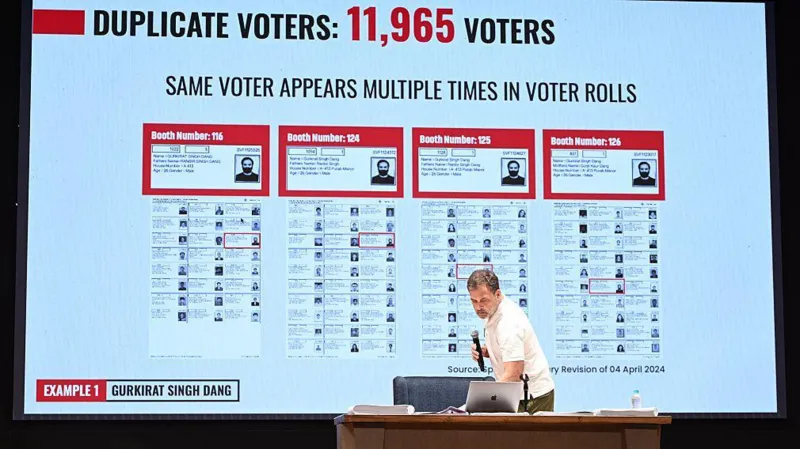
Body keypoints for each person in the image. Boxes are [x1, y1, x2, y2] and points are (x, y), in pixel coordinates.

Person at [468, 269, 554, 413]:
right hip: (517, 394)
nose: (478, 307)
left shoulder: (509, 322)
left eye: (483, 300)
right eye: (473, 301)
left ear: (497, 294)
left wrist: (486, 403)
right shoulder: (494, 309)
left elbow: (514, 374)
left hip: (531, 397)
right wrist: (488, 351)